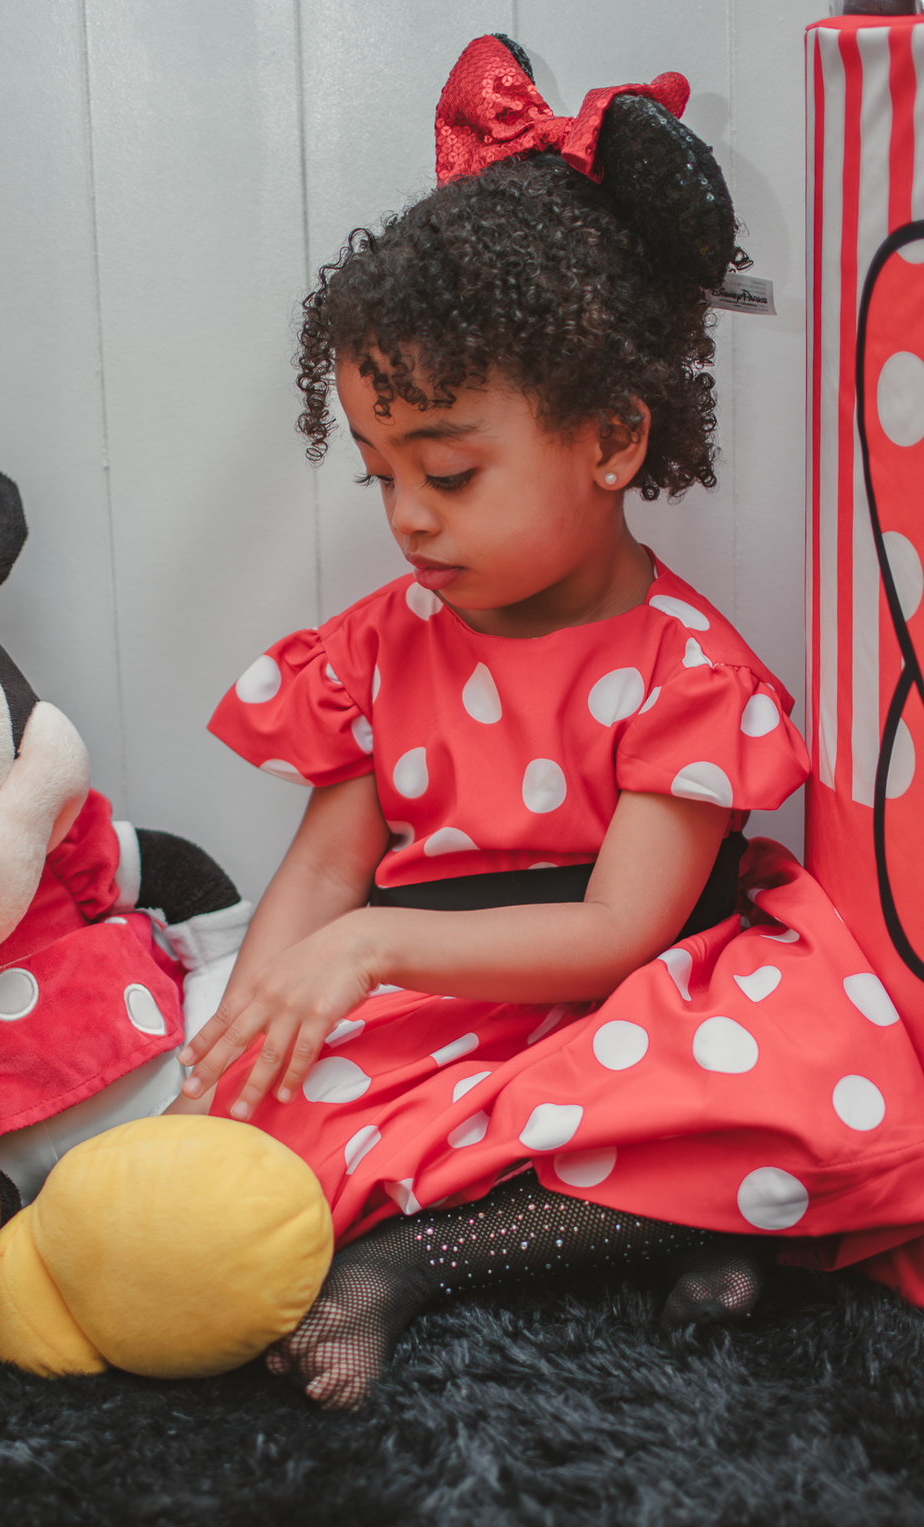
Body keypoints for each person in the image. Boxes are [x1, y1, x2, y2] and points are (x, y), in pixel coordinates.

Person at [172, 36, 924, 1409]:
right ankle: (688, 1235)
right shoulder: (379, 647)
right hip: (449, 1013)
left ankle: (420, 1266)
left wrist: (371, 945)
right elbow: (327, 871)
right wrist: (249, 1032)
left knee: (796, 1086)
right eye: (381, 474)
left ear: (611, 442)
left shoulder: (686, 671)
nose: (407, 518)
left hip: (636, 999)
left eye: (449, 473)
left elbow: (616, 932)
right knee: (275, 1139)